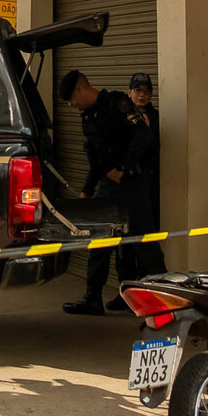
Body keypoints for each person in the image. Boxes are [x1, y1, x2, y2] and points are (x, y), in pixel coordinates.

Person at [58, 70, 154, 316]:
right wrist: (87, 191)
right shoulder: (89, 115)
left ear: (80, 89)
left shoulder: (118, 104)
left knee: (144, 244)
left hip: (132, 185)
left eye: (71, 99)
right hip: (107, 188)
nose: (71, 105)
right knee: (99, 244)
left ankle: (160, 303)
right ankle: (93, 299)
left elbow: (143, 135)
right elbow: (96, 158)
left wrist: (124, 168)